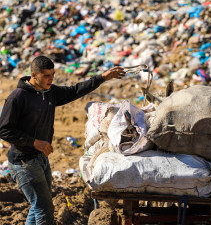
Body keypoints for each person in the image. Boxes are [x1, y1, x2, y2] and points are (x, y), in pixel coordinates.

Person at [0, 55, 125, 225]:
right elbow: (4, 129)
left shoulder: (49, 92)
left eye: (52, 74)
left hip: (41, 158)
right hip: (23, 162)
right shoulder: (18, 97)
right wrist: (34, 142)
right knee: (44, 208)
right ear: (34, 75)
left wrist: (102, 77)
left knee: (38, 206)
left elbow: (74, 90)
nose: (51, 79)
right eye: (46, 75)